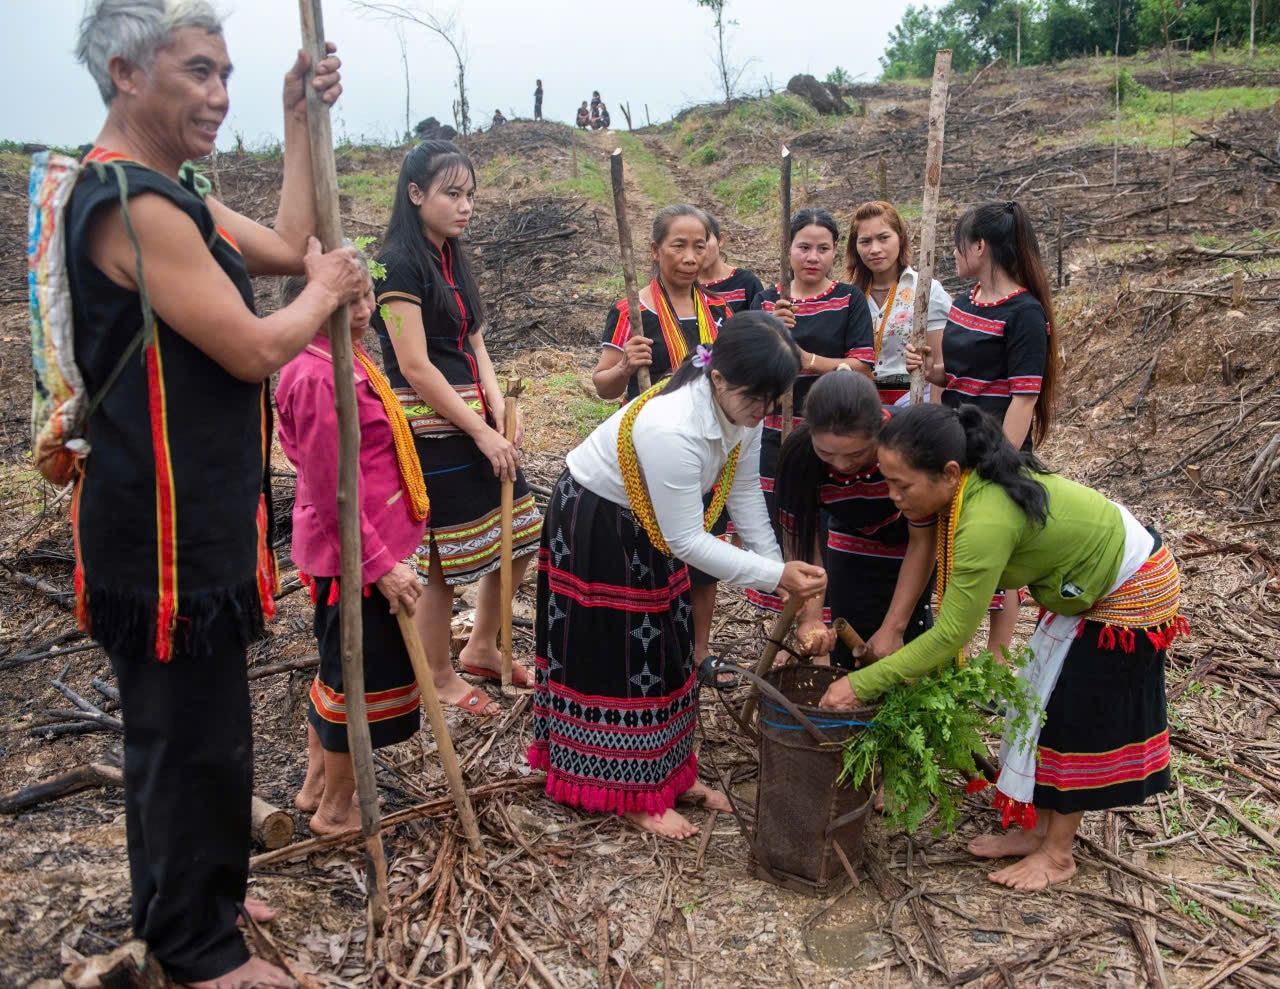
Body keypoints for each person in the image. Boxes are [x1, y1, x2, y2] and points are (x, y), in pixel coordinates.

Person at [67, 2, 364, 986]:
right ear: (127, 73)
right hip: (155, 528)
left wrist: (293, 118)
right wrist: (329, 291)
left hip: (197, 513)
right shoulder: (128, 204)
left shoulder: (174, 195)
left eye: (226, 72)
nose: (215, 93)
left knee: (203, 725)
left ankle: (203, 893)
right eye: (197, 71)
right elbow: (252, 345)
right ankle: (197, 946)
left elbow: (283, 237)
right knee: (184, 733)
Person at [820, 404, 1184, 891]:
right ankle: (1036, 832)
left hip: (1129, 590)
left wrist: (859, 683)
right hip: (1084, 591)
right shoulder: (966, 489)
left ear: (950, 473)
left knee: (1070, 717)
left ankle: (1058, 855)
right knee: (1036, 705)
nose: (893, 497)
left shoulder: (984, 519)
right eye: (887, 482)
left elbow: (952, 633)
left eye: (902, 485)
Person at [530, 314, 828, 840]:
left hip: (652, 523)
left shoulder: (744, 413)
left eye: (771, 399)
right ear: (717, 378)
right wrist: (773, 572)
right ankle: (629, 793)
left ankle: (670, 774)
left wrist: (773, 569)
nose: (761, 412)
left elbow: (744, 495)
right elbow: (687, 542)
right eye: (753, 398)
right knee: (619, 653)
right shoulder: (674, 426)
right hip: (598, 523)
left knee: (670, 642)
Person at [373, 140, 543, 721]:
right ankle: (439, 675)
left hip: (475, 423)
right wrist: (479, 430)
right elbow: (415, 366)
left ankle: (481, 647)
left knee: (519, 535)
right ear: (415, 194)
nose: (465, 206)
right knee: (444, 563)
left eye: (470, 194)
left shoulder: (450, 257)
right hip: (432, 429)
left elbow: (474, 340)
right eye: (452, 194)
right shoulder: (397, 262)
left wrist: (499, 411)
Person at [276, 259, 427, 837]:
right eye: (346, 304)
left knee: (338, 670)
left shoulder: (346, 354)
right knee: (355, 682)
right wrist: (380, 566)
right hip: (355, 561)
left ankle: (316, 787)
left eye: (366, 298)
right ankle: (339, 810)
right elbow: (330, 484)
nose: (362, 312)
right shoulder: (317, 375)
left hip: (366, 550)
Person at [907, 200, 1058, 656]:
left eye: (958, 244)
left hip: (996, 449)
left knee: (995, 551)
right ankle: (953, 648)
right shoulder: (967, 301)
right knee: (955, 542)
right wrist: (930, 369)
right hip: (957, 440)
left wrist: (1002, 462)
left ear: (980, 246)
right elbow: (958, 375)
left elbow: (1024, 397)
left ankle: (995, 656)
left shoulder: (1025, 313)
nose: (953, 254)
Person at [593, 205, 730, 669]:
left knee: (704, 551)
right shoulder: (633, 311)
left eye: (700, 245)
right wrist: (626, 365)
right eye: (678, 245)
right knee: (651, 544)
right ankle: (649, 643)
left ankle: (700, 649)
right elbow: (603, 386)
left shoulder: (720, 309)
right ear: (655, 251)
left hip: (708, 445)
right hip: (652, 448)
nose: (691, 256)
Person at [747, 208, 874, 610]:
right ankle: (784, 620)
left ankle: (821, 617)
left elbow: (862, 366)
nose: (812, 257)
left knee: (821, 521)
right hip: (771, 430)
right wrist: (773, 332)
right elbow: (749, 365)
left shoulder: (848, 299)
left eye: (823, 248)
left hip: (827, 431)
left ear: (836, 251)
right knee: (780, 519)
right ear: (789, 250)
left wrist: (809, 360)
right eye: (804, 247)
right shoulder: (767, 300)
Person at [773, 370, 936, 668]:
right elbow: (802, 538)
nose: (842, 464)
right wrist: (810, 617)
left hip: (909, 544)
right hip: (847, 536)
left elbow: (923, 540)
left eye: (857, 454)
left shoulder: (907, 445)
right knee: (849, 629)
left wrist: (893, 628)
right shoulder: (799, 456)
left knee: (907, 638)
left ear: (879, 430)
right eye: (827, 453)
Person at [845, 200, 952, 405]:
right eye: (865, 241)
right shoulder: (850, 296)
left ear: (900, 239)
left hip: (913, 401)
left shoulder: (926, 290)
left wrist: (935, 418)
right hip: (860, 405)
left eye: (884, 238)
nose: (875, 249)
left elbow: (940, 363)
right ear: (855, 247)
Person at [699, 210, 765, 314]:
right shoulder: (681, 285)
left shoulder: (746, 283)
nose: (699, 248)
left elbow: (763, 325)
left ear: (720, 240)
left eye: (704, 239)